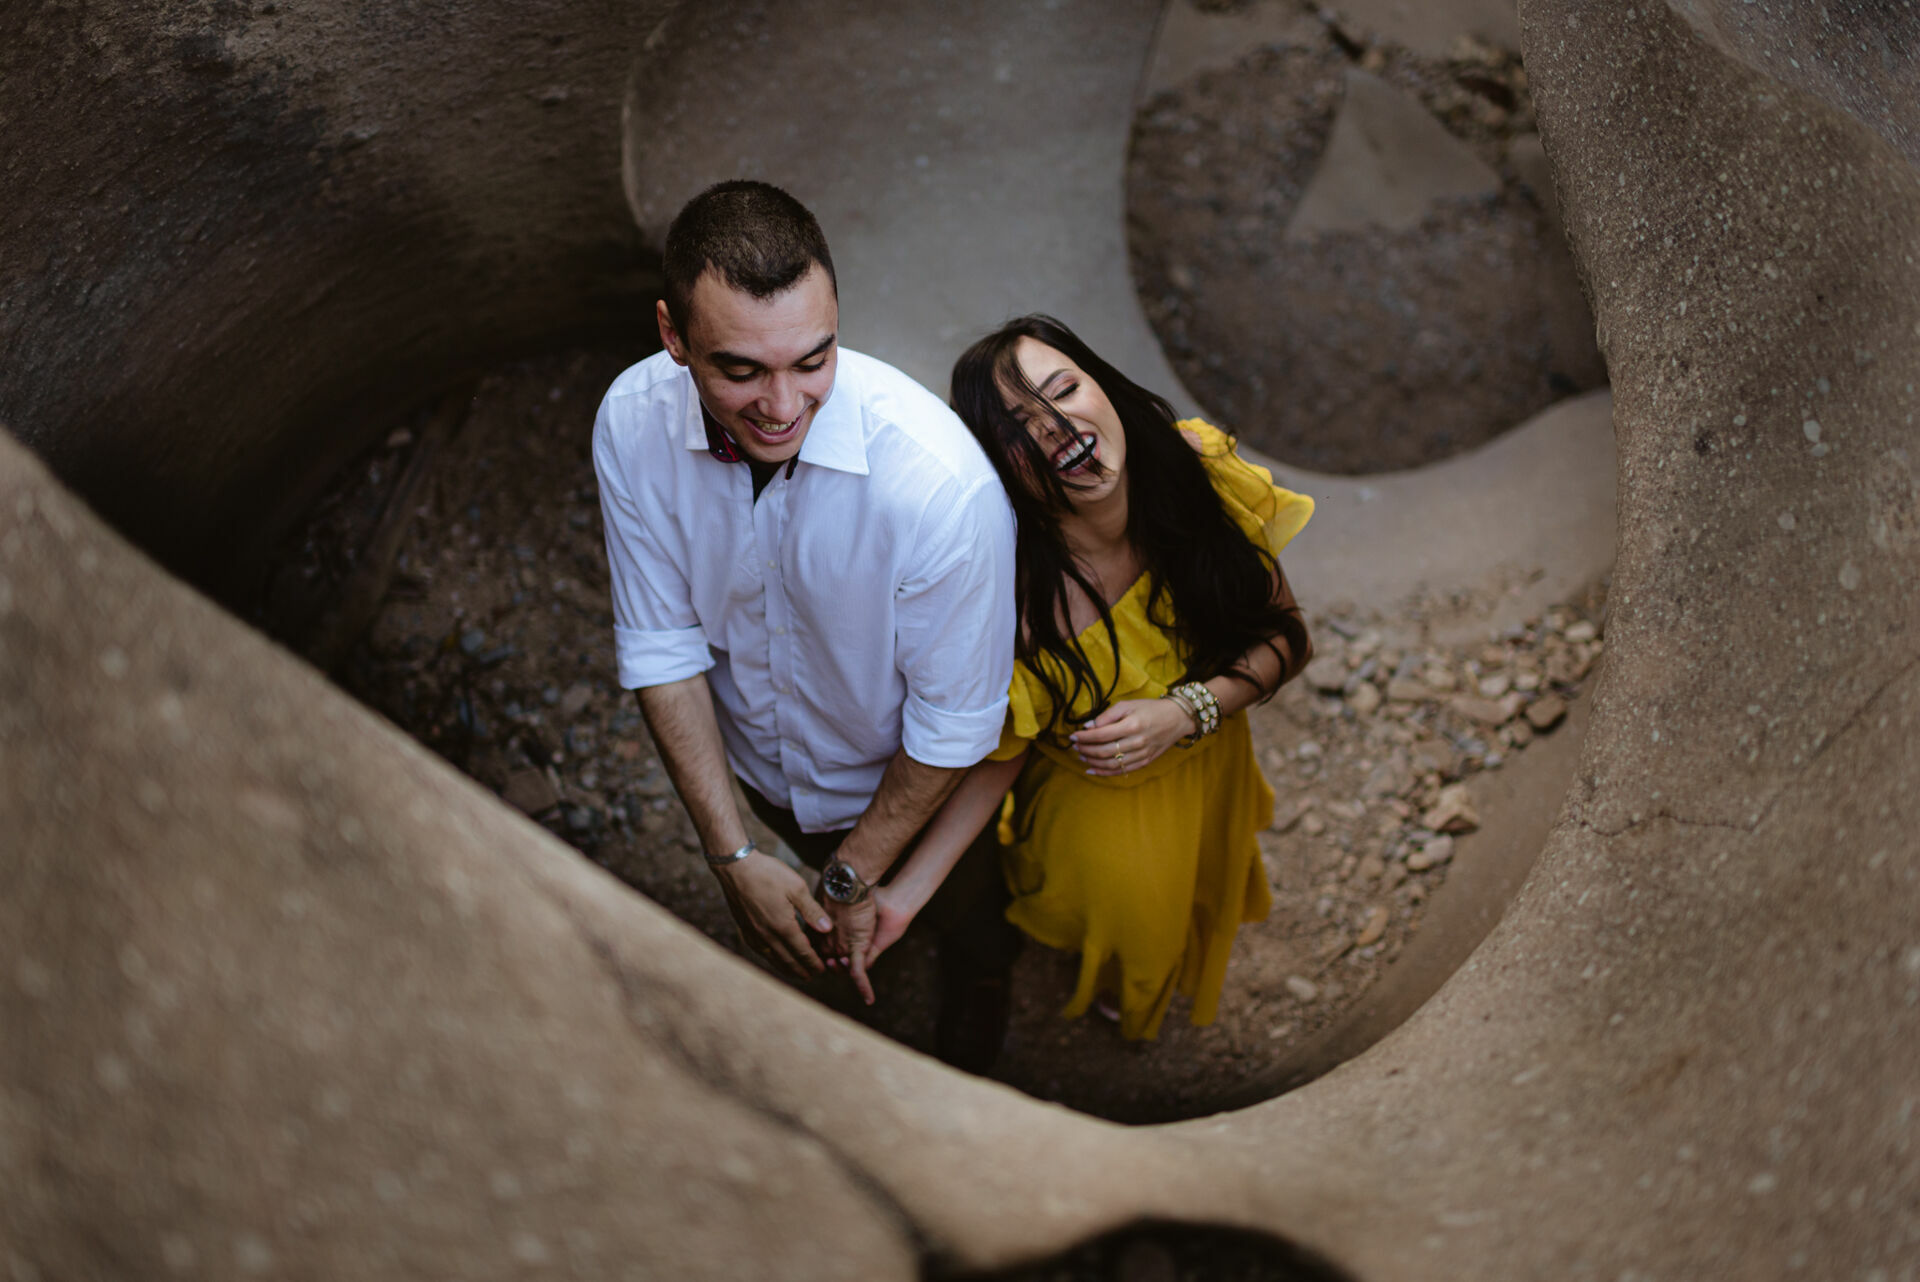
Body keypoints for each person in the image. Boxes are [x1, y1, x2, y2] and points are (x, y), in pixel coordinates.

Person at [592, 180, 1023, 1070]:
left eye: (812, 361)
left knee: (976, 913)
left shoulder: (941, 489)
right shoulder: (630, 425)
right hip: (765, 774)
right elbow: (662, 646)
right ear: (673, 335)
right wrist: (733, 854)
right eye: (740, 370)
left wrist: (850, 874)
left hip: (910, 781)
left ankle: (983, 983)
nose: (783, 407)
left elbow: (953, 727)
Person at [862, 314, 1313, 1040]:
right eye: (1017, 428)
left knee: (1196, 888)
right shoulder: (1009, 599)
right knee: (1125, 921)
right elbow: (997, 754)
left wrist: (1186, 711)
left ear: (1104, 384)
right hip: (1101, 814)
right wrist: (905, 895)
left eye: (1064, 388)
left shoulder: (1194, 471)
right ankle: (1115, 986)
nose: (1053, 423)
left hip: (1210, 762)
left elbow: (1288, 637)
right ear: (997, 467)